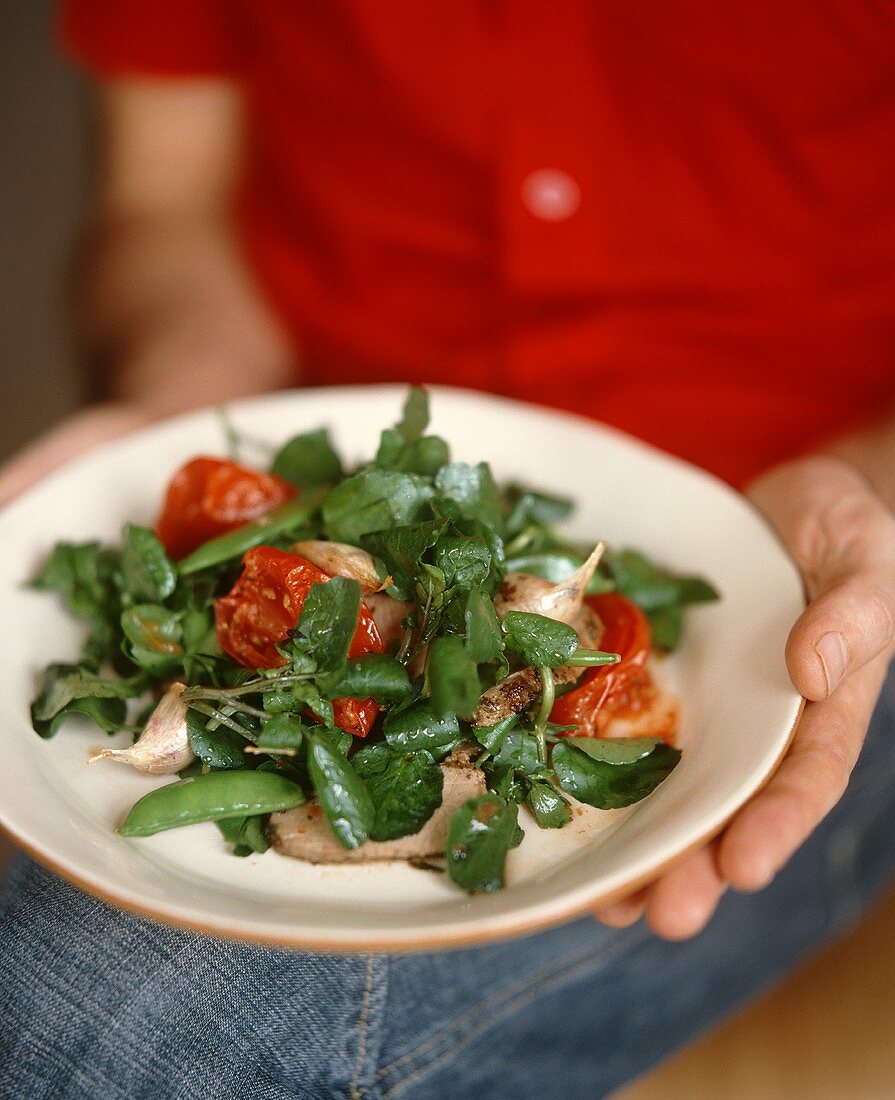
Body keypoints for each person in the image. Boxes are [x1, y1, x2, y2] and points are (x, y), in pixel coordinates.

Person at [2, 4, 895, 1097]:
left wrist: (869, 481)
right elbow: (161, 203)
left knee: (113, 1016)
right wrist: (184, 421)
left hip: (817, 566)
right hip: (327, 458)